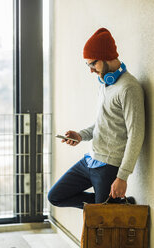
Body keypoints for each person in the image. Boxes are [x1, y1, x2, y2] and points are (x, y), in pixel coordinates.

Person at [48, 28, 145, 209]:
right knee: (55, 196)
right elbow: (104, 123)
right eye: (89, 66)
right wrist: (80, 135)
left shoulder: (129, 88)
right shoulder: (105, 84)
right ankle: (117, 205)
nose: (91, 70)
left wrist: (122, 177)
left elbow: (136, 134)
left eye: (93, 64)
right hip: (90, 160)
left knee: (103, 222)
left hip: (109, 166)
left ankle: (115, 205)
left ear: (106, 56)